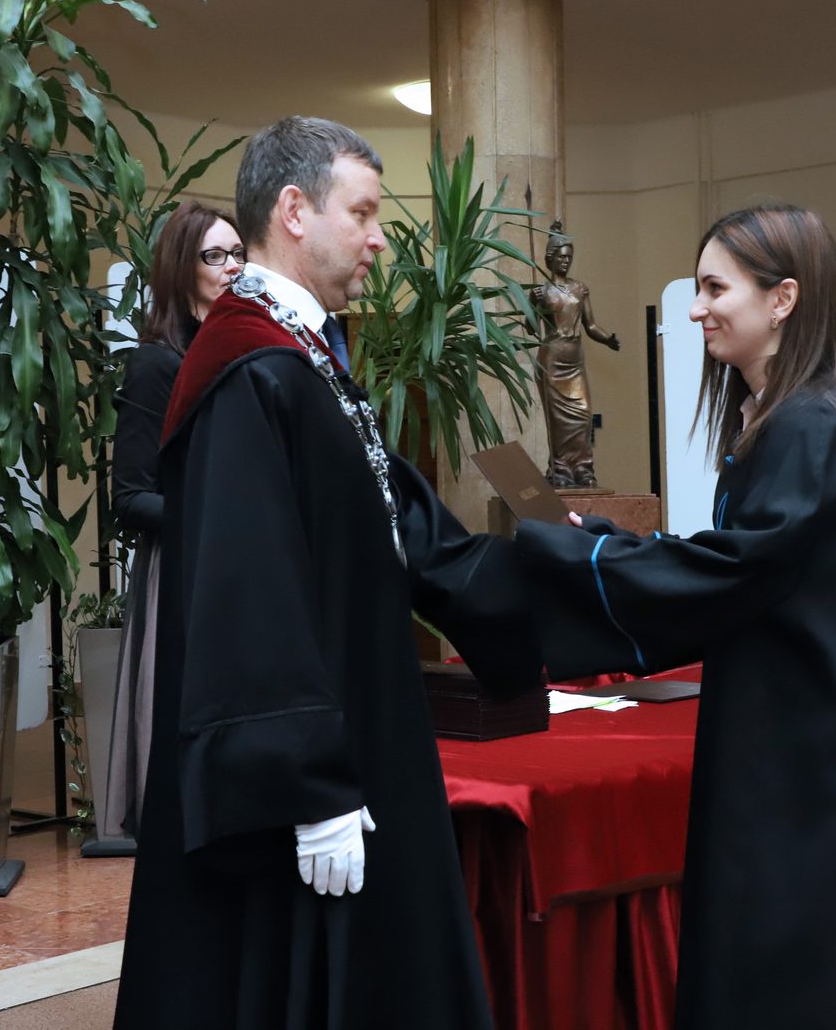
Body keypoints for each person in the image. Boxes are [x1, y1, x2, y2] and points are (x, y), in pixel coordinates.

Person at [114, 116, 542, 1029]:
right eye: (365, 213)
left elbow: (401, 532)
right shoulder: (249, 367)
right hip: (311, 785)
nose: (380, 239)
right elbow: (250, 591)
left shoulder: (304, 356)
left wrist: (581, 575)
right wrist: (310, 785)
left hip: (358, 739)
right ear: (295, 211)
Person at [515, 204, 836, 1030]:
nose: (695, 308)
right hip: (793, 721)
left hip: (808, 743)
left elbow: (740, 569)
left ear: (782, 298)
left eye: (715, 288)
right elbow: (749, 560)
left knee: (796, 952)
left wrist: (588, 560)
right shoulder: (788, 413)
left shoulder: (810, 419)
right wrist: (604, 543)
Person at [102, 200, 243, 844]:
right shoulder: (156, 364)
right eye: (215, 255)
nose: (232, 266)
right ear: (183, 269)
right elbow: (129, 497)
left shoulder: (245, 351)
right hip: (183, 570)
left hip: (240, 566)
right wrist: (217, 514)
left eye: (238, 253)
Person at [530, 220, 619, 488]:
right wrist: (533, 305)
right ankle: (561, 470)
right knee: (558, 422)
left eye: (569, 257)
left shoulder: (580, 289)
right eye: (561, 257)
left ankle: (582, 469)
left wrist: (608, 339)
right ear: (550, 259)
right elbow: (531, 328)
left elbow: (590, 326)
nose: (566, 261)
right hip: (552, 360)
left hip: (574, 361)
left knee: (583, 415)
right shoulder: (543, 291)